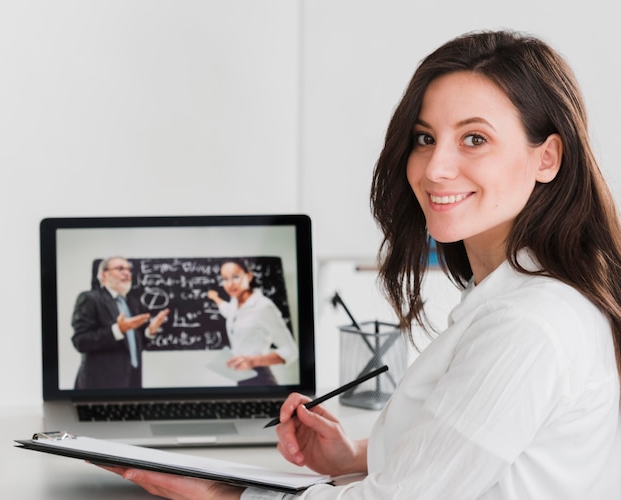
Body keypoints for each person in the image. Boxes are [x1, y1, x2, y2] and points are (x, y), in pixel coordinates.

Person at [100, 29, 621, 498]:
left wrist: (224, 497)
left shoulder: (528, 325)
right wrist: (355, 457)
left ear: (547, 157)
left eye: (474, 139)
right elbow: (474, 448)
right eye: (424, 138)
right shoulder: (527, 298)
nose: (435, 168)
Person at [71, 256, 170, 389]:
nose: (126, 273)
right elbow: (81, 341)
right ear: (103, 275)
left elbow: (132, 345)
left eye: (129, 270)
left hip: (132, 381)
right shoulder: (90, 299)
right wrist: (117, 330)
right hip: (99, 385)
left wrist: (149, 332)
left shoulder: (132, 303)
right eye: (120, 268)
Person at [206, 259, 299, 386]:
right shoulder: (235, 302)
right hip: (241, 376)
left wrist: (251, 361)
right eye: (225, 279)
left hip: (260, 378)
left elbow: (291, 350)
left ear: (249, 276)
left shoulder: (263, 307)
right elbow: (228, 311)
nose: (230, 284)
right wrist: (215, 298)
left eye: (235, 277)